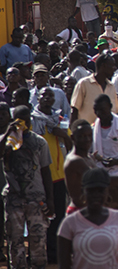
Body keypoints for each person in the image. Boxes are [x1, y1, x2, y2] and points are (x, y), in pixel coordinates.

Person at [57, 168, 118, 269]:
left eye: (100, 190)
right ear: (83, 192)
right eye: (91, 191)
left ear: (107, 192)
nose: (96, 195)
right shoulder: (70, 223)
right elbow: (64, 262)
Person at [2, 105, 53, 269]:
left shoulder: (39, 142)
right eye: (20, 120)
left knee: (38, 242)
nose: (24, 123)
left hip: (36, 199)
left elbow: (46, 171)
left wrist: (50, 199)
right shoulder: (7, 142)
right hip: (13, 199)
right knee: (15, 242)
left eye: (26, 119)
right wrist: (9, 132)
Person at [30, 87, 71, 263]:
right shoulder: (31, 120)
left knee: (58, 216)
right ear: (37, 98)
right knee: (38, 217)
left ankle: (54, 254)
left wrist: (63, 135)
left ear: (55, 99)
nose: (47, 98)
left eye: (50, 96)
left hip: (59, 175)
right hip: (37, 177)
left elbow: (71, 145)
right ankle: (37, 254)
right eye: (43, 95)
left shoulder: (61, 120)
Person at [71, 52, 118, 122]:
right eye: (112, 65)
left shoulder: (111, 86)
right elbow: (74, 110)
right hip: (87, 128)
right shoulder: (83, 83)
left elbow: (115, 112)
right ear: (103, 66)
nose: (114, 68)